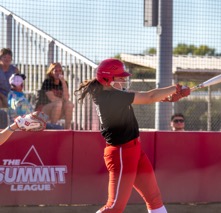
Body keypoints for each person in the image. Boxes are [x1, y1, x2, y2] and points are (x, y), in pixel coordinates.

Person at [74, 58, 190, 213]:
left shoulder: (110, 93)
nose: (123, 80)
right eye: (119, 77)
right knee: (114, 207)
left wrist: (168, 97)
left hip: (134, 150)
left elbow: (150, 97)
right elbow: (148, 97)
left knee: (154, 199)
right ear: (107, 79)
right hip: (121, 153)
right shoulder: (110, 98)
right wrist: (176, 88)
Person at [35, 62, 74, 129]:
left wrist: (63, 82)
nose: (58, 73)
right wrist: (63, 101)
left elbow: (66, 98)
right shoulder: (47, 82)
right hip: (43, 113)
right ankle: (53, 127)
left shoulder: (64, 83)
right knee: (58, 103)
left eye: (60, 71)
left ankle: (67, 129)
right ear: (51, 72)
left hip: (57, 111)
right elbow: (52, 99)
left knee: (69, 104)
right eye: (55, 71)